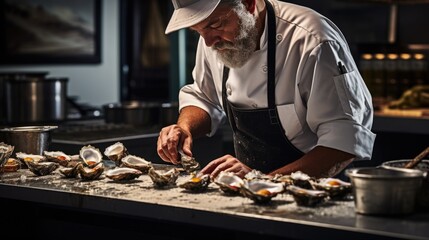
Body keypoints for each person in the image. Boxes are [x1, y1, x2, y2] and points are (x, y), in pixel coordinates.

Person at [157, 0, 376, 179]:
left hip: (313, 193)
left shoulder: (312, 40)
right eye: (197, 31)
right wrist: (184, 128)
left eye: (215, 25)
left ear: (249, 5)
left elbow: (343, 142)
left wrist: (262, 181)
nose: (208, 43)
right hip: (248, 193)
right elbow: (204, 97)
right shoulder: (214, 40)